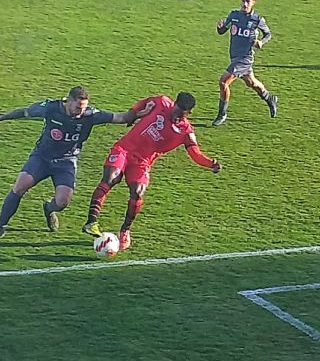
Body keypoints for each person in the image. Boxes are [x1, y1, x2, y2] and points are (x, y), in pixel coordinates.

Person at [0, 86, 152, 238]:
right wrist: (3, 117)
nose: (81, 111)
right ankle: (1, 224)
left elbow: (120, 117)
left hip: (66, 162)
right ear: (68, 101)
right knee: (20, 186)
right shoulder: (50, 108)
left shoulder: (90, 115)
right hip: (42, 157)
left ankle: (49, 208)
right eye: (78, 107)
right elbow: (25, 112)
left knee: (62, 202)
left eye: (84, 107)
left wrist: (140, 114)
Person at [82, 92, 222, 251]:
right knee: (111, 177)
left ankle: (125, 230)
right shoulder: (161, 102)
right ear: (174, 104)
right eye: (176, 111)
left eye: (181, 114)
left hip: (142, 162)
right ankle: (91, 222)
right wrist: (134, 113)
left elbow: (195, 154)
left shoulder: (185, 132)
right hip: (124, 149)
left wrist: (211, 164)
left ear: (188, 113)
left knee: (137, 193)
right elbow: (142, 103)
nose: (176, 116)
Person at [212, 0, 278, 126]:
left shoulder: (257, 19)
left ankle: (222, 114)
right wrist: (219, 27)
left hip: (245, 59)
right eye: (243, 0)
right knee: (251, 83)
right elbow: (222, 31)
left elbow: (268, 34)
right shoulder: (233, 15)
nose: (244, 4)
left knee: (223, 82)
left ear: (253, 2)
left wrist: (261, 42)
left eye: (248, 1)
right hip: (234, 56)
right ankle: (269, 98)